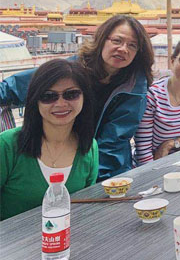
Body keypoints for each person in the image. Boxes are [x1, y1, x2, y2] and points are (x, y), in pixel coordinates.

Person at [0, 15, 154, 180]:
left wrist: (88, 179)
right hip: (56, 155)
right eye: (117, 41)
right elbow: (22, 85)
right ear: (102, 39)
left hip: (105, 169)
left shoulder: (134, 87)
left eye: (132, 45)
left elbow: (113, 142)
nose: (124, 49)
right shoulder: (74, 69)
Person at [0, 59, 98, 220]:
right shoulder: (7, 146)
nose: (60, 103)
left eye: (71, 94)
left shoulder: (89, 148)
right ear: (34, 101)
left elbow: (83, 212)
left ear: (84, 97)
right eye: (48, 96)